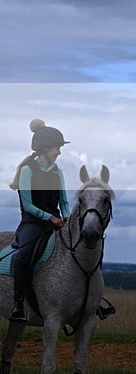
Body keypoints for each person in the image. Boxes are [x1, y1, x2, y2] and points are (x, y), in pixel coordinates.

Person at [7, 119, 70, 322]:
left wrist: (66, 217)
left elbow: (64, 200)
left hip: (57, 222)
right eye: (57, 148)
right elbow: (28, 205)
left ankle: (86, 301)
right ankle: (17, 304)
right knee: (23, 255)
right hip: (33, 224)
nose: (59, 152)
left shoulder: (57, 171)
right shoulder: (27, 171)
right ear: (44, 148)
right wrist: (50, 217)